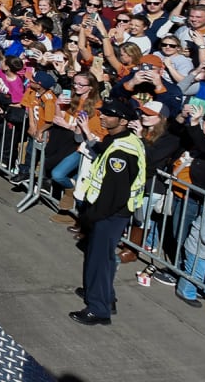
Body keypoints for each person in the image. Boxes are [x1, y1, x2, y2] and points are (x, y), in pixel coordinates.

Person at [70, 97, 146, 326]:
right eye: (103, 112)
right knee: (100, 258)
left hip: (109, 214)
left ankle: (98, 308)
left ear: (123, 120)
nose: (101, 116)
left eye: (108, 114)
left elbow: (115, 195)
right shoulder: (123, 140)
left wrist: (90, 217)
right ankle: (103, 296)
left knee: (99, 261)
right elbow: (102, 149)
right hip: (110, 213)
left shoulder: (122, 152)